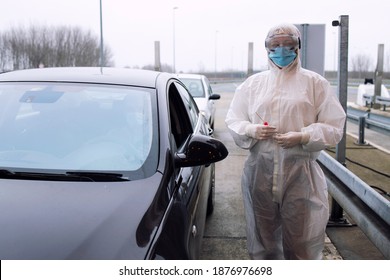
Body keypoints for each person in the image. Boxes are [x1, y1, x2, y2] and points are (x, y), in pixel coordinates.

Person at [225, 23, 346, 260]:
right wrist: (251, 129)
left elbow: (334, 127)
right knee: (263, 241)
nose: (281, 50)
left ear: (298, 47)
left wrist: (304, 136)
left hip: (301, 174)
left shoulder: (315, 83)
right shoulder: (253, 85)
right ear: (267, 49)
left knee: (302, 244)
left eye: (287, 44)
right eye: (275, 45)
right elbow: (233, 118)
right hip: (260, 173)